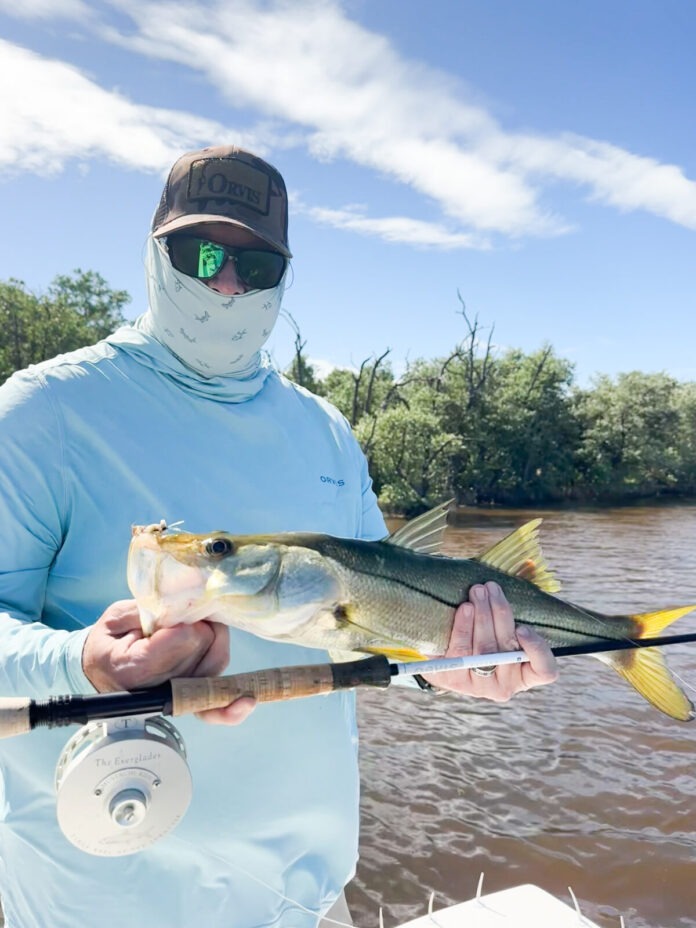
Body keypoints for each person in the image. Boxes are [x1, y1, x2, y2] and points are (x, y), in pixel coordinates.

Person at [0, 145, 557, 928]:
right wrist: (83, 660)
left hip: (305, 897)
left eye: (256, 267)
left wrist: (446, 671)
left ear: (284, 276)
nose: (227, 283)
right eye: (202, 254)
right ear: (154, 253)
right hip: (94, 903)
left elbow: (372, 631)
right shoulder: (40, 413)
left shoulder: (324, 430)